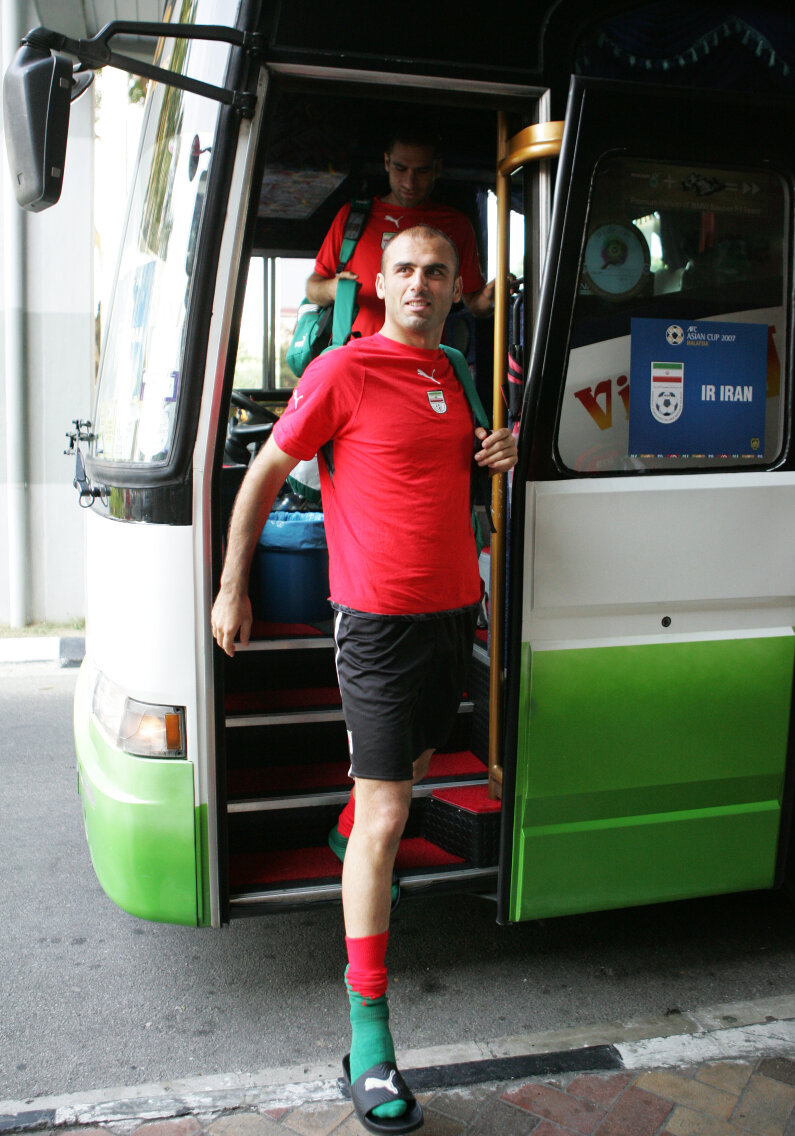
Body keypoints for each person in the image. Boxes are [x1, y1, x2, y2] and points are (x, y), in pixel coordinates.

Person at [211, 226, 517, 1134]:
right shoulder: (343, 370)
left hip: (453, 616)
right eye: (406, 270)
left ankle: (348, 829)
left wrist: (492, 453)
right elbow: (266, 473)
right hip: (377, 626)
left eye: (437, 272)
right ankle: (370, 1041)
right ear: (380, 283)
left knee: (410, 771)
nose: (421, 283)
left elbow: (455, 468)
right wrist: (233, 585)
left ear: (457, 288)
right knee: (391, 814)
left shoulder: (457, 373)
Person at [304, 128, 499, 341]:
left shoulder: (456, 225)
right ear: (387, 162)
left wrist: (493, 296)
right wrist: (334, 289)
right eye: (400, 168)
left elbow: (475, 304)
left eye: (422, 171)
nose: (409, 182)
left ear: (437, 168)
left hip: (423, 356)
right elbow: (312, 289)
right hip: (356, 352)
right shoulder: (353, 217)